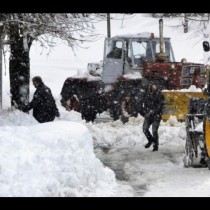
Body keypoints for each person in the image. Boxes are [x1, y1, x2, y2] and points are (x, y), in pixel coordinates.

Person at [140, 84, 164, 151]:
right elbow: (144, 105)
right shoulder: (147, 95)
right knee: (145, 129)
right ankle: (150, 140)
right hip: (148, 115)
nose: (151, 90)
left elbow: (159, 106)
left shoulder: (160, 95)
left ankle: (155, 146)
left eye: (153, 88)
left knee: (154, 131)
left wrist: (151, 112)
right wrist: (145, 112)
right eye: (150, 89)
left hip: (157, 115)